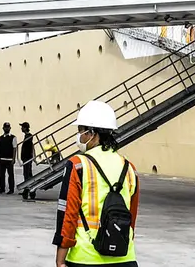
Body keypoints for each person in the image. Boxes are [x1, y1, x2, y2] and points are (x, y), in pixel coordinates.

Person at [54, 101, 139, 267]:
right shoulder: (129, 168)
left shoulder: (78, 165)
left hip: (85, 257)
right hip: (125, 257)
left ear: (91, 133)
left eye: (81, 131)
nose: (79, 136)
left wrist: (60, 258)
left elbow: (67, 214)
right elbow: (132, 216)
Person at [0, 122, 17, 194]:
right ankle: (2, 188)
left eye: (8, 127)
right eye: (5, 127)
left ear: (10, 128)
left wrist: (14, 159)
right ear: (3, 128)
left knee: (10, 175)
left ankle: (11, 189)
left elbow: (14, 148)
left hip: (9, 159)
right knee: (1, 175)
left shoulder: (13, 137)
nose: (6, 128)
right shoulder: (1, 138)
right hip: (2, 159)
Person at [20, 121, 37, 200]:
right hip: (26, 158)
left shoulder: (29, 136)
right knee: (27, 174)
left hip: (27, 158)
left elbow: (31, 147)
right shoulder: (27, 136)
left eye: (22, 127)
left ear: (25, 128)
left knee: (27, 175)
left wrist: (33, 156)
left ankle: (28, 191)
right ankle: (29, 191)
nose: (21, 128)